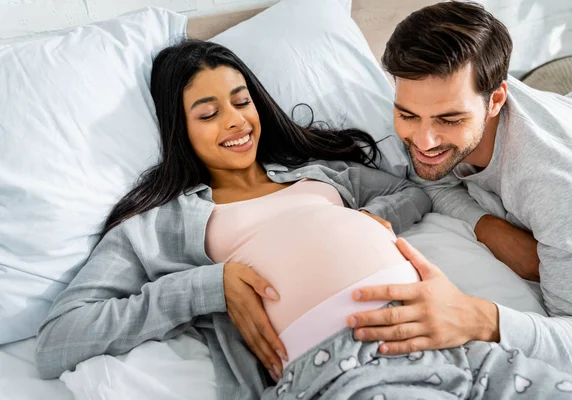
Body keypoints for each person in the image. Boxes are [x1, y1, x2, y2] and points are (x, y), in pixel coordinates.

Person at [34, 39, 430, 394]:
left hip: (427, 323)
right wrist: (207, 287)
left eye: (242, 102)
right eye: (208, 114)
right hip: (332, 366)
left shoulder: (318, 172)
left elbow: (410, 192)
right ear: (179, 130)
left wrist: (364, 220)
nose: (236, 121)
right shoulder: (157, 225)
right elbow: (58, 339)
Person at [347, 0, 572, 384]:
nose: (424, 140)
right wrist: (484, 224)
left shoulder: (560, 184)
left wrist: (478, 317)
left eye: (450, 120)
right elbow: (429, 177)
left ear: (496, 100)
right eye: (407, 115)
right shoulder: (426, 102)